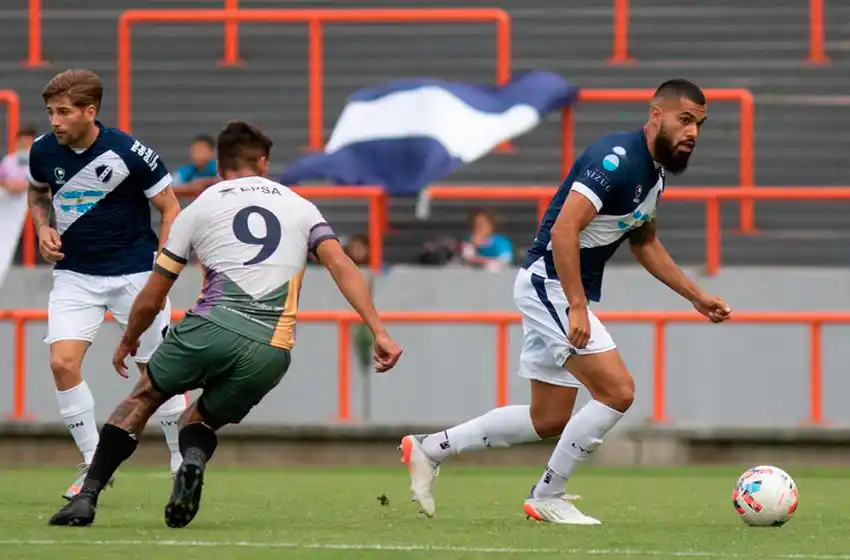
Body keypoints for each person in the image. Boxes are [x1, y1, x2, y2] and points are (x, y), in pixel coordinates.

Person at [401, 79, 732, 524]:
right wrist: (577, 305)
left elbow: (645, 243)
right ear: (657, 115)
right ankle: (547, 494)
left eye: (700, 124)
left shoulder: (654, 175)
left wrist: (697, 296)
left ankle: (430, 448)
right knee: (617, 391)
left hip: (558, 290)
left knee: (548, 418)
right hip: (551, 286)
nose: (693, 132)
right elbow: (563, 230)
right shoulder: (615, 160)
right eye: (685, 120)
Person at [48, 120, 403, 528]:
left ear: (219, 167)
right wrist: (379, 331)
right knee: (199, 421)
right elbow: (341, 264)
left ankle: (87, 497)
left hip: (210, 328)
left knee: (142, 399)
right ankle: (193, 460)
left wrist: (129, 338)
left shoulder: (200, 207)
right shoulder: (301, 206)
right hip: (271, 350)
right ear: (264, 162)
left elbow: (155, 290)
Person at [26, 69, 186, 500]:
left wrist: (163, 268)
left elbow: (170, 207)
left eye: (63, 112)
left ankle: (179, 461)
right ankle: (95, 463)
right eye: (50, 112)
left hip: (135, 274)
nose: (54, 121)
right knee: (62, 363)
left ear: (89, 112)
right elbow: (37, 195)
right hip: (75, 275)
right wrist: (42, 228)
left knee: (157, 374)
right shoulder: (42, 152)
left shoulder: (130, 152)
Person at [0, 125, 38, 285]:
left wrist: (23, 186)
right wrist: (9, 185)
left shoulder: (38, 163)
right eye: (22, 143)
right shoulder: (9, 161)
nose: (25, 147)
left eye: (28, 143)